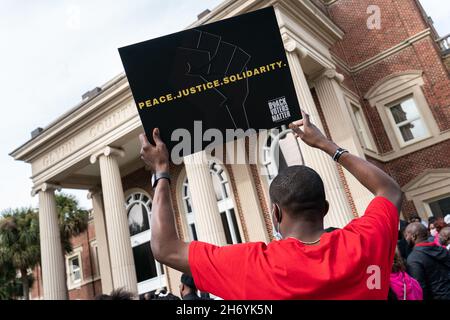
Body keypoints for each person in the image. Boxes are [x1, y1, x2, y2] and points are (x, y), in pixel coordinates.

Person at [138, 110, 403, 300]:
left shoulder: (255, 266)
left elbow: (165, 249)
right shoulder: (366, 242)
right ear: (324, 207)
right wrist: (326, 144)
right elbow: (389, 190)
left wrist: (161, 170)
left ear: (275, 212)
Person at [404, 222, 450, 300]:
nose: (405, 238)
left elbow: (420, 289)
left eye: (406, 235)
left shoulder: (414, 259)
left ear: (413, 236)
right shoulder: (441, 249)